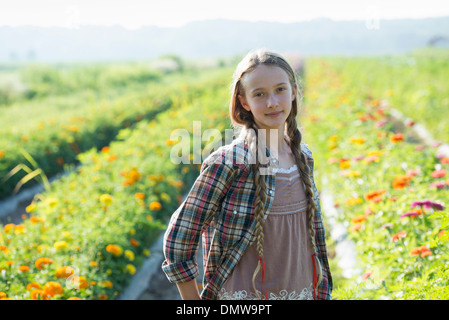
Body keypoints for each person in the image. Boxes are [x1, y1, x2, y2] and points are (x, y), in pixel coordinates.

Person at [162, 49, 332, 300]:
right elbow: (179, 239)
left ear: (294, 91)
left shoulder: (303, 157)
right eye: (259, 94)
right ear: (244, 102)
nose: (272, 102)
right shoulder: (230, 163)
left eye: (280, 90)